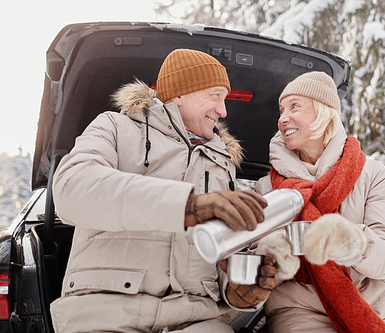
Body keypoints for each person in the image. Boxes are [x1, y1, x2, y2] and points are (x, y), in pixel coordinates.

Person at [50, 49, 277, 333]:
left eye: (224, 99)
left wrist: (238, 292)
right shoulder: (115, 127)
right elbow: (73, 187)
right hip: (107, 313)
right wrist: (188, 206)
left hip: (197, 321)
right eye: (215, 96)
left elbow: (217, 257)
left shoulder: (223, 164)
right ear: (180, 93)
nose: (223, 111)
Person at [255, 71, 385, 332]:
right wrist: (275, 260)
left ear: (323, 112)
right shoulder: (267, 187)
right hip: (298, 309)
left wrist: (350, 241)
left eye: (295, 106)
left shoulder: (372, 174)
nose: (283, 118)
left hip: (371, 305)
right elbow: (256, 267)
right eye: (281, 110)